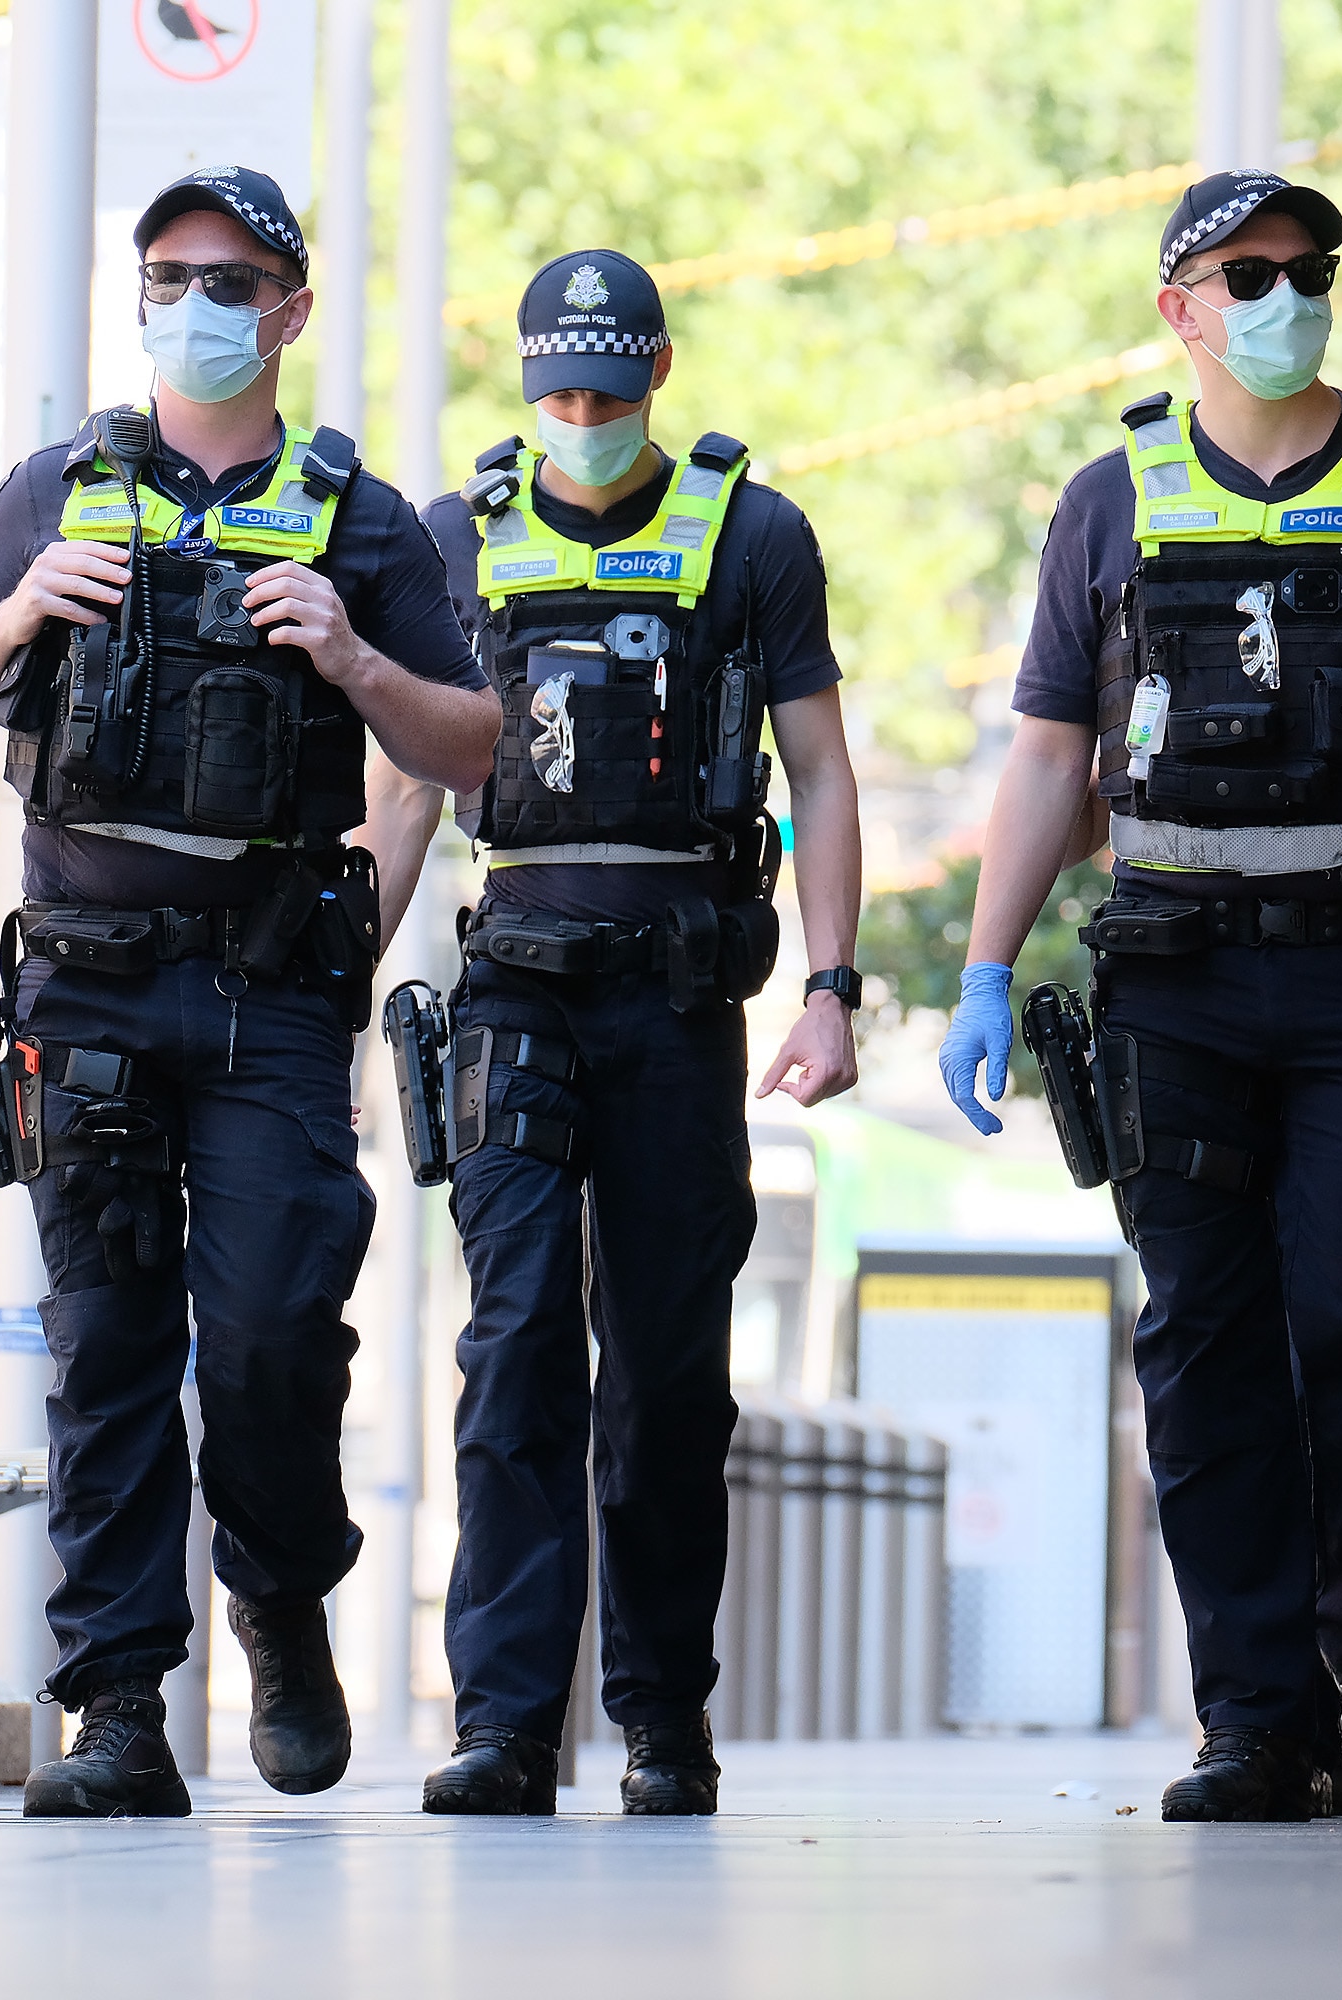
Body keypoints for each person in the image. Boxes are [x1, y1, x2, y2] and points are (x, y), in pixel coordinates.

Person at [936, 170, 1342, 1820]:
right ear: (1182, 308)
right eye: (1250, 271)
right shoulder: (1111, 498)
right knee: (1207, 1352)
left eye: (1311, 268)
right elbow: (1050, 754)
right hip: (1176, 972)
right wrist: (989, 968)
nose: (1288, 293)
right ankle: (1259, 1721)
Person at [0, 166, 499, 1816]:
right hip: (85, 997)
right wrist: (25, 602)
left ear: (290, 308)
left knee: (266, 1341)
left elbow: (475, 748)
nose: (198, 302)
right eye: (171, 274)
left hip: (267, 1003)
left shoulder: (359, 520)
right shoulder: (56, 488)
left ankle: (282, 1594)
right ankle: (117, 1710)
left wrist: (356, 657)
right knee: (105, 1349)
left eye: (232, 279)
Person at [399, 250, 863, 1815]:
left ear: (660, 369)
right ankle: (507, 1725)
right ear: (523, 381)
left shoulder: (754, 534)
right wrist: (333, 983)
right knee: (514, 1346)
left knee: (666, 1371)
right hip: (514, 982)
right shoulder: (456, 536)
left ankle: (663, 1715)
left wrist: (833, 983)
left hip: (677, 998)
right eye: (555, 393)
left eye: (605, 390)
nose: (579, 418)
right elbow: (407, 781)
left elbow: (824, 771)